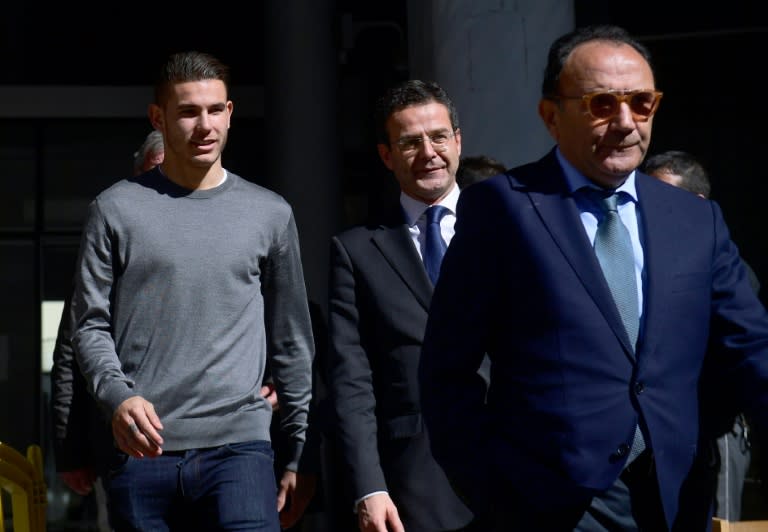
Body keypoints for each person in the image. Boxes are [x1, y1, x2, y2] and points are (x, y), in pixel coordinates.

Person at [418, 23, 768, 531]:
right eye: (602, 104)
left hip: (674, 498)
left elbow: (751, 348)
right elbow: (448, 369)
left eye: (642, 103)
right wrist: (490, 488)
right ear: (550, 116)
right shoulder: (503, 210)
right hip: (549, 504)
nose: (626, 122)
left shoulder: (695, 219)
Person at [69, 51, 315, 531]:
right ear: (158, 118)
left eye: (215, 109)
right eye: (188, 112)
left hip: (241, 449)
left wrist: (298, 452)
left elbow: (292, 340)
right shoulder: (115, 209)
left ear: (229, 113)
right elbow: (88, 324)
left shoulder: (270, 213)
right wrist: (117, 398)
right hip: (143, 448)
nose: (204, 125)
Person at [326, 79, 482, 532]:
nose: (429, 152)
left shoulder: (506, 227)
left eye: (438, 137)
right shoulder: (356, 250)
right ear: (386, 155)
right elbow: (350, 379)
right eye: (410, 142)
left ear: (457, 141)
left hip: (510, 461)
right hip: (414, 477)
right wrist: (369, 486)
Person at [644, 149, 759, 521]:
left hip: (713, 436)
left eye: (663, 199)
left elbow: (745, 355)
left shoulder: (729, 277)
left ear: (697, 205)